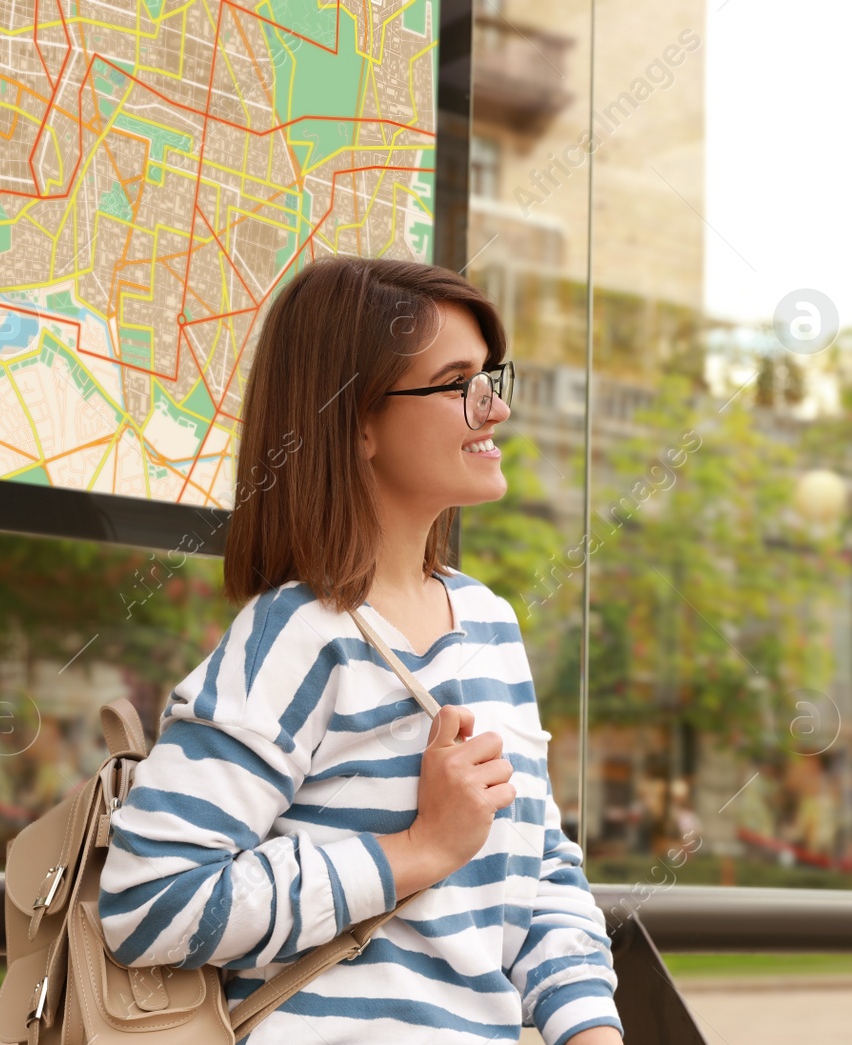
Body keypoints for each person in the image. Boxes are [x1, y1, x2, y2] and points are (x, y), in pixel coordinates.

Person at [98, 257, 624, 1045]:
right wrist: (415, 850)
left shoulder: (490, 624)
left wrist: (593, 1033)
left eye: (490, 376)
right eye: (458, 383)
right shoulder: (297, 633)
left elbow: (543, 873)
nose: (496, 408)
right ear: (357, 422)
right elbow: (152, 899)